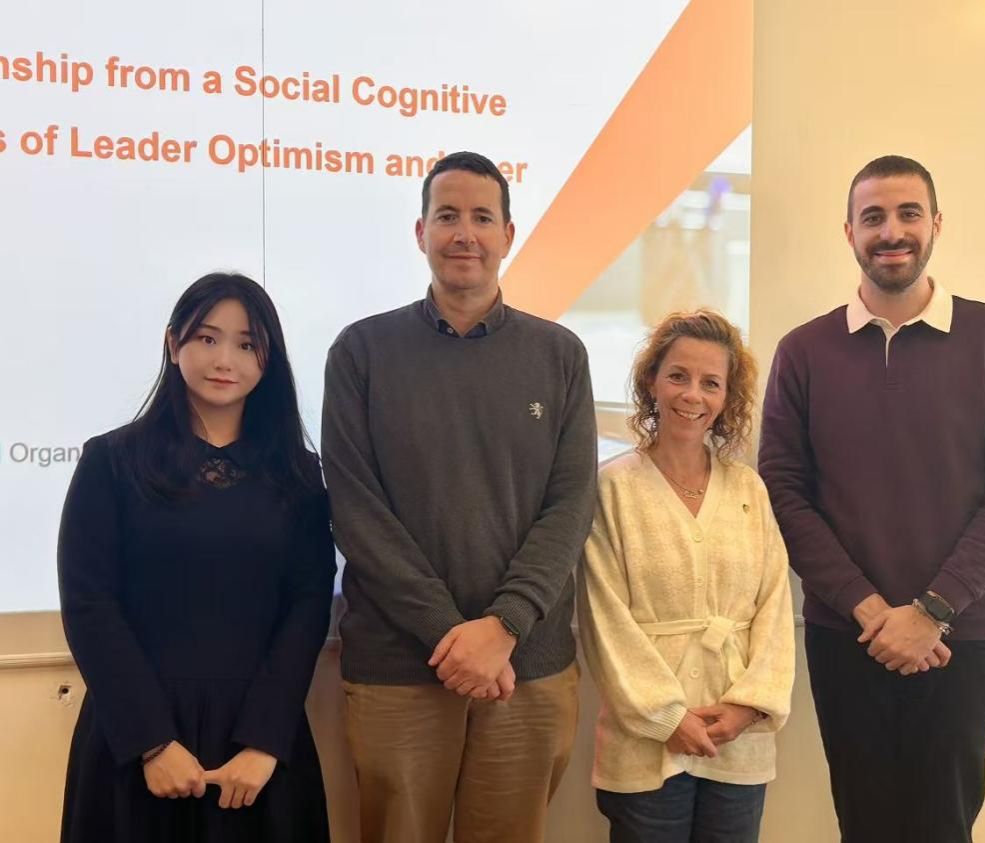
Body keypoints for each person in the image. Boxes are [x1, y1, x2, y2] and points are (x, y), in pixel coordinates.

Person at [758, 155, 985, 843]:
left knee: (944, 825)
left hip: (962, 636)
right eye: (874, 217)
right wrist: (872, 612)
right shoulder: (803, 351)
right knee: (864, 824)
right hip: (848, 636)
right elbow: (785, 495)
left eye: (908, 213)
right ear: (849, 232)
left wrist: (930, 613)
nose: (892, 231)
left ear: (936, 223)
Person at [321, 150, 597, 843]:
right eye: (447, 216)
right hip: (399, 668)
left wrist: (503, 627)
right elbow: (356, 512)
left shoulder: (560, 355)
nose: (464, 234)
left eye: (481, 217)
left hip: (526, 667)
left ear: (508, 234)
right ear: (421, 232)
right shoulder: (361, 352)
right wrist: (453, 636)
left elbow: (570, 506)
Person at [57, 273, 335, 843]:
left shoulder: (300, 473)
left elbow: (309, 604)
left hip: (257, 742)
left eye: (246, 344)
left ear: (268, 360)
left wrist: (265, 742)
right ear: (172, 343)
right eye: (207, 338)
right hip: (136, 735)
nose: (224, 359)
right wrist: (151, 743)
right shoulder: (111, 461)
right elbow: (89, 602)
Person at [578, 309, 794, 843]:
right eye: (678, 376)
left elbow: (774, 605)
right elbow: (605, 619)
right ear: (652, 381)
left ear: (727, 398)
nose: (692, 395)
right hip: (645, 744)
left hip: (737, 739)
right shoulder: (612, 489)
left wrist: (749, 705)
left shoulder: (748, 489)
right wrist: (666, 717)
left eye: (710, 383)